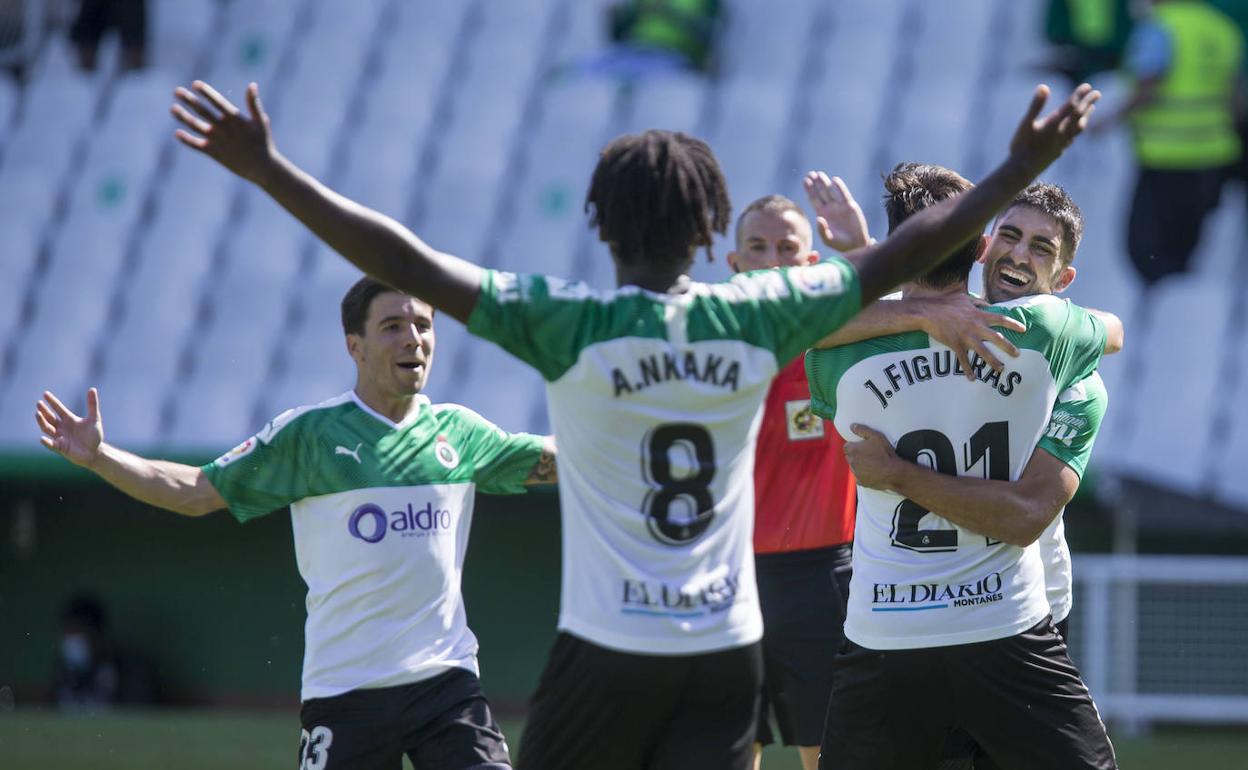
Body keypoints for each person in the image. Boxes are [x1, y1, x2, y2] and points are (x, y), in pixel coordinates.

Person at [168, 76, 1099, 770]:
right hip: (724, 646)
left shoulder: (567, 319)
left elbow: (401, 255)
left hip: (607, 647)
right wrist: (1022, 166)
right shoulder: (757, 314)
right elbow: (908, 249)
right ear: (710, 236)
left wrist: (268, 170)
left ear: (600, 225)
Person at [36, 277, 556, 770]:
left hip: (447, 685)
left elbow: (552, 458)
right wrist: (102, 458)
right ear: (355, 346)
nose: (413, 339)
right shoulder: (309, 436)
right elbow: (196, 491)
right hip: (345, 694)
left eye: (423, 324)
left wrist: (625, 436)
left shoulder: (458, 433)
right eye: (393, 326)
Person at [805, 163, 1118, 770]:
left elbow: (799, 326)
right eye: (1009, 236)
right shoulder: (1053, 335)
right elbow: (1112, 329)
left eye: (1040, 247)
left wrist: (874, 262)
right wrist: (919, 303)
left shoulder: (837, 357)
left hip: (895, 624)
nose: (1018, 255)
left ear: (1064, 275)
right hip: (1005, 618)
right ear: (980, 247)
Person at [727, 192, 1026, 770]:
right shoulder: (708, 350)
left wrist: (863, 250)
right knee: (729, 750)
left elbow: (913, 302)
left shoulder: (846, 344)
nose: (773, 260)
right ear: (733, 265)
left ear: (812, 264)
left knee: (829, 752)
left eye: (788, 248)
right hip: (729, 575)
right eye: (757, 248)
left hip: (823, 578)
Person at [1101, 0, 1244, 284]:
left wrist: (1105, 121)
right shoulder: (1222, 28)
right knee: (1186, 247)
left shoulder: (1159, 27)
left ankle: (1155, 316)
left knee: (1148, 251)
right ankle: (1179, 310)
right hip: (1212, 154)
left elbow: (1148, 87)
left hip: (1165, 156)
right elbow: (1236, 98)